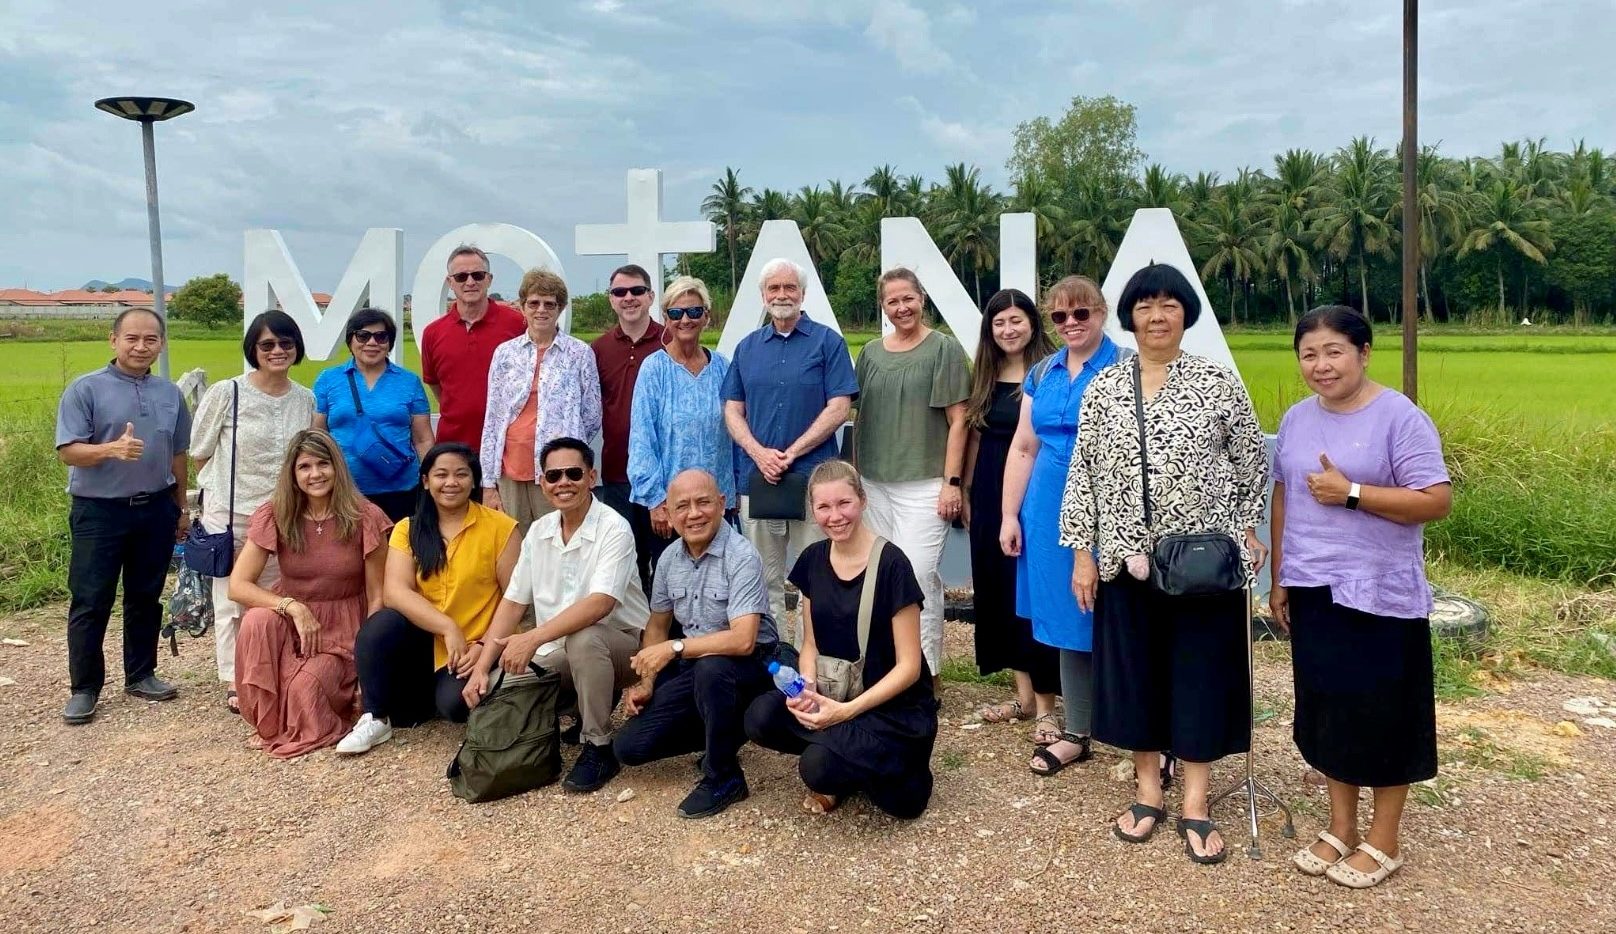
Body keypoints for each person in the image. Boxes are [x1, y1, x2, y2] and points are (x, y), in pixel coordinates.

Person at [1060, 263, 1270, 865]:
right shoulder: (1103, 387)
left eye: (1169, 305)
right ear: (1129, 316)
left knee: (1200, 674)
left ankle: (1197, 802)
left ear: (1186, 315)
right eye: (1146, 305)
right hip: (1125, 563)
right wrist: (1082, 552)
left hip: (1200, 563)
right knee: (1135, 674)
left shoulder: (1216, 382)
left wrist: (1244, 528)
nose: (1157, 316)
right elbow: (1084, 473)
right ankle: (1148, 789)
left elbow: (1250, 458)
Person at [1272, 306, 1452, 888]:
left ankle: (1385, 838)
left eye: (1333, 351)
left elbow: (1434, 500)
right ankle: (1341, 827)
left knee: (1384, 713)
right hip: (1313, 585)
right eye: (1309, 354)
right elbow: (1285, 497)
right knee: (1329, 708)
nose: (1320, 365)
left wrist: (1351, 493)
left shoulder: (1401, 418)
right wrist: (1279, 577)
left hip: (1380, 592)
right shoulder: (1297, 420)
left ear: (1364, 353)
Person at [744, 460, 939, 819]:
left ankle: (858, 759)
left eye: (844, 503)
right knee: (761, 716)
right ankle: (845, 754)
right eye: (823, 507)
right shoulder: (812, 559)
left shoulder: (893, 564)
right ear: (812, 510)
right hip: (837, 694)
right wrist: (805, 691)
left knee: (820, 768)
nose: (835, 516)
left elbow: (910, 667)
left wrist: (846, 712)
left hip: (891, 710)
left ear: (862, 501)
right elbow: (810, 646)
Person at [467, 437, 647, 794]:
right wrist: (481, 668)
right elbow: (513, 603)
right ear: (542, 483)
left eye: (574, 473)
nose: (563, 482)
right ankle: (581, 707)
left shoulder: (614, 528)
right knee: (504, 685)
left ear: (591, 477)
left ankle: (598, 745)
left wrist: (532, 637)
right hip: (560, 649)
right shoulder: (539, 531)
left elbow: (601, 604)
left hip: (624, 647)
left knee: (584, 638)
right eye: (553, 475)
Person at [999, 276, 1128, 771]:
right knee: (1064, 614)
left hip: (1111, 507)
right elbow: (1025, 445)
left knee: (1118, 616)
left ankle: (1136, 727)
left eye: (1081, 313)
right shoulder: (1043, 372)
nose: (1071, 323)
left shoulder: (1125, 367)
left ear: (1102, 312)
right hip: (1047, 506)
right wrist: (1010, 514)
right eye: (1059, 316)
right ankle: (1078, 729)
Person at [336, 443, 520, 755]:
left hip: (474, 646)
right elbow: (395, 591)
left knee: (454, 707)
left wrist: (484, 646)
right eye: (441, 475)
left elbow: (515, 598)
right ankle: (375, 718)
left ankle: (436, 696)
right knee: (381, 624)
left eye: (461, 474)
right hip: (426, 641)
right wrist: (448, 628)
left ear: (474, 481)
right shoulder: (408, 529)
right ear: (425, 481)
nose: (451, 482)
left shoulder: (501, 528)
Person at [54, 307, 192, 725]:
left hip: (154, 508)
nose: (141, 346)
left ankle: (141, 673)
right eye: (132, 338)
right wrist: (109, 450)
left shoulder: (170, 394)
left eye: (151, 339)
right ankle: (84, 688)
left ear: (161, 344)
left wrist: (181, 507)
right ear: (113, 341)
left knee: (145, 596)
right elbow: (67, 451)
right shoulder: (86, 389)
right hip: (100, 511)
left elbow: (178, 454)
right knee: (91, 599)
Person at [612, 470, 777, 818]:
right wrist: (647, 682)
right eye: (682, 506)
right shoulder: (670, 558)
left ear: (722, 504)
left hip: (754, 664)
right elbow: (657, 625)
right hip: (700, 666)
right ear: (669, 515)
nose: (694, 514)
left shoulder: (742, 556)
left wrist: (674, 649)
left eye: (703, 502)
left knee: (711, 668)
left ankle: (724, 776)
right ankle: (725, 733)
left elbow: (744, 639)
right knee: (629, 747)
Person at [228, 429, 392, 758]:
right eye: (304, 467)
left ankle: (309, 705)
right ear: (293, 473)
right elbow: (238, 585)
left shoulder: (364, 516)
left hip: (344, 629)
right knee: (257, 620)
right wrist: (292, 607)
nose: (315, 474)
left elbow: (378, 596)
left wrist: (368, 662)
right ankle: (270, 719)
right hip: (291, 622)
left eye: (323, 464)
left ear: (337, 468)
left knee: (307, 691)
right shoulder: (276, 513)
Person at [722, 258, 859, 631]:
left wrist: (793, 451)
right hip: (759, 478)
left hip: (815, 482)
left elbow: (840, 406)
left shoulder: (827, 342)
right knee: (761, 577)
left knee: (816, 574)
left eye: (789, 288)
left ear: (803, 293)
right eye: (774, 288)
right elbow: (733, 410)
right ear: (763, 295)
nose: (782, 295)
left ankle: (809, 656)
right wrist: (758, 453)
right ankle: (774, 655)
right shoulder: (748, 348)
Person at [191, 310, 316, 714]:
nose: (277, 351)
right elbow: (200, 452)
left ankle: (272, 667)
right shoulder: (228, 392)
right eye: (267, 344)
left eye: (285, 343)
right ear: (253, 350)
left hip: (286, 514)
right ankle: (233, 678)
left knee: (278, 595)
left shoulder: (305, 398)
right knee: (230, 598)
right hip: (234, 513)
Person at [850, 268, 970, 678]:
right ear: (883, 306)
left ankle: (925, 672)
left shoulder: (943, 349)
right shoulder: (869, 354)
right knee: (880, 575)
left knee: (918, 574)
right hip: (874, 483)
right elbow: (857, 415)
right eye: (892, 301)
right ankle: (889, 669)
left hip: (925, 484)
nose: (901, 307)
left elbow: (959, 420)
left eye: (908, 298)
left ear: (922, 299)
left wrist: (952, 483)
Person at [962, 288, 1059, 729]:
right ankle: (1023, 698)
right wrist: (963, 489)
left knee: (1035, 593)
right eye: (999, 323)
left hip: (1037, 491)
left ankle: (1050, 707)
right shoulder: (985, 373)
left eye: (1016, 320)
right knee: (1000, 592)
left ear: (1033, 324)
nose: (1008, 330)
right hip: (988, 491)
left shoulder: (1052, 372)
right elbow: (975, 435)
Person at [481, 269, 602, 536]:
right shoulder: (505, 354)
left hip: (558, 472)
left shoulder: (579, 353)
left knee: (559, 540)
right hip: (510, 469)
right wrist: (489, 484)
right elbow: (493, 419)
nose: (541, 310)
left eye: (550, 304)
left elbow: (592, 415)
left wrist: (566, 442)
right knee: (514, 545)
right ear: (522, 306)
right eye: (534, 303)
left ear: (561, 308)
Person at [627, 275, 738, 536]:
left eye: (694, 311)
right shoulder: (654, 369)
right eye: (676, 312)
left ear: (707, 316)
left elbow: (735, 435)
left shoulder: (723, 367)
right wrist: (656, 501)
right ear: (666, 318)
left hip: (715, 505)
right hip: (670, 508)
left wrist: (732, 497)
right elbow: (642, 440)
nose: (685, 319)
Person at [312, 308, 433, 521]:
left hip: (402, 489)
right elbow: (317, 436)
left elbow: (423, 439)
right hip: (345, 490)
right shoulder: (329, 380)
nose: (372, 342)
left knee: (400, 550)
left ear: (390, 342)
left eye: (381, 336)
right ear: (351, 340)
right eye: (363, 335)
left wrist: (431, 479)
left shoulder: (408, 381)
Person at [592, 263, 668, 590]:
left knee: (667, 561)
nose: (629, 298)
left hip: (664, 474)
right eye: (620, 292)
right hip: (617, 473)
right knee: (625, 561)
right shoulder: (598, 349)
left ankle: (669, 637)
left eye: (637, 291)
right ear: (611, 299)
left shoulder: (671, 341)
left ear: (650, 296)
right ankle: (632, 637)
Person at [420, 244, 525, 448]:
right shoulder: (433, 333)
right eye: (461, 277)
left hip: (507, 446)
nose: (470, 282)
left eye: (477, 275)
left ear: (489, 279)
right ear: (450, 282)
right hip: (454, 447)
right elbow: (436, 385)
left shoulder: (518, 324)